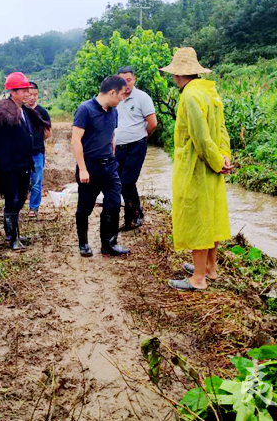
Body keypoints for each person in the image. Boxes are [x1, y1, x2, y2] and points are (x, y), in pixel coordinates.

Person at [159, 47, 234, 291]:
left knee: (197, 218)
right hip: (212, 166)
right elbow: (221, 131)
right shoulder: (209, 92)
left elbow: (200, 139)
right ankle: (209, 268)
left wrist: (214, 160)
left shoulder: (189, 96)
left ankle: (198, 278)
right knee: (210, 215)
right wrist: (223, 158)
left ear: (177, 75)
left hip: (197, 166)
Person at [0, 72, 50, 250]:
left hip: (24, 164)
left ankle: (13, 232)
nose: (27, 93)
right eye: (24, 90)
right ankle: (13, 238)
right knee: (12, 200)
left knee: (21, 199)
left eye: (28, 90)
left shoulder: (24, 111)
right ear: (13, 91)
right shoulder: (2, 112)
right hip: (9, 166)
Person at [72, 75, 130, 257]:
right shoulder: (85, 109)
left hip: (110, 166)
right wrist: (82, 168)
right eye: (121, 94)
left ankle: (109, 244)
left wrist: (112, 154)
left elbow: (111, 135)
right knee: (85, 207)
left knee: (113, 204)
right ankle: (83, 243)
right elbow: (76, 140)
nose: (122, 99)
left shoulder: (113, 111)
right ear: (112, 92)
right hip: (90, 167)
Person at [115, 66, 158, 231]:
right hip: (118, 147)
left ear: (134, 80)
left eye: (129, 80)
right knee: (119, 183)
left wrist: (142, 138)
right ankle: (131, 216)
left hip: (136, 146)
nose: (125, 84)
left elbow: (152, 123)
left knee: (127, 181)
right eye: (122, 80)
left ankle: (136, 215)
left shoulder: (142, 98)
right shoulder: (115, 98)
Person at [25, 82, 52, 218]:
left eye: (35, 95)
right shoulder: (20, 111)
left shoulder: (42, 112)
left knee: (36, 181)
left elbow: (48, 133)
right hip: (21, 154)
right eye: (29, 94)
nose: (32, 97)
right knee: (21, 181)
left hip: (37, 152)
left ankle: (33, 208)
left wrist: (36, 141)